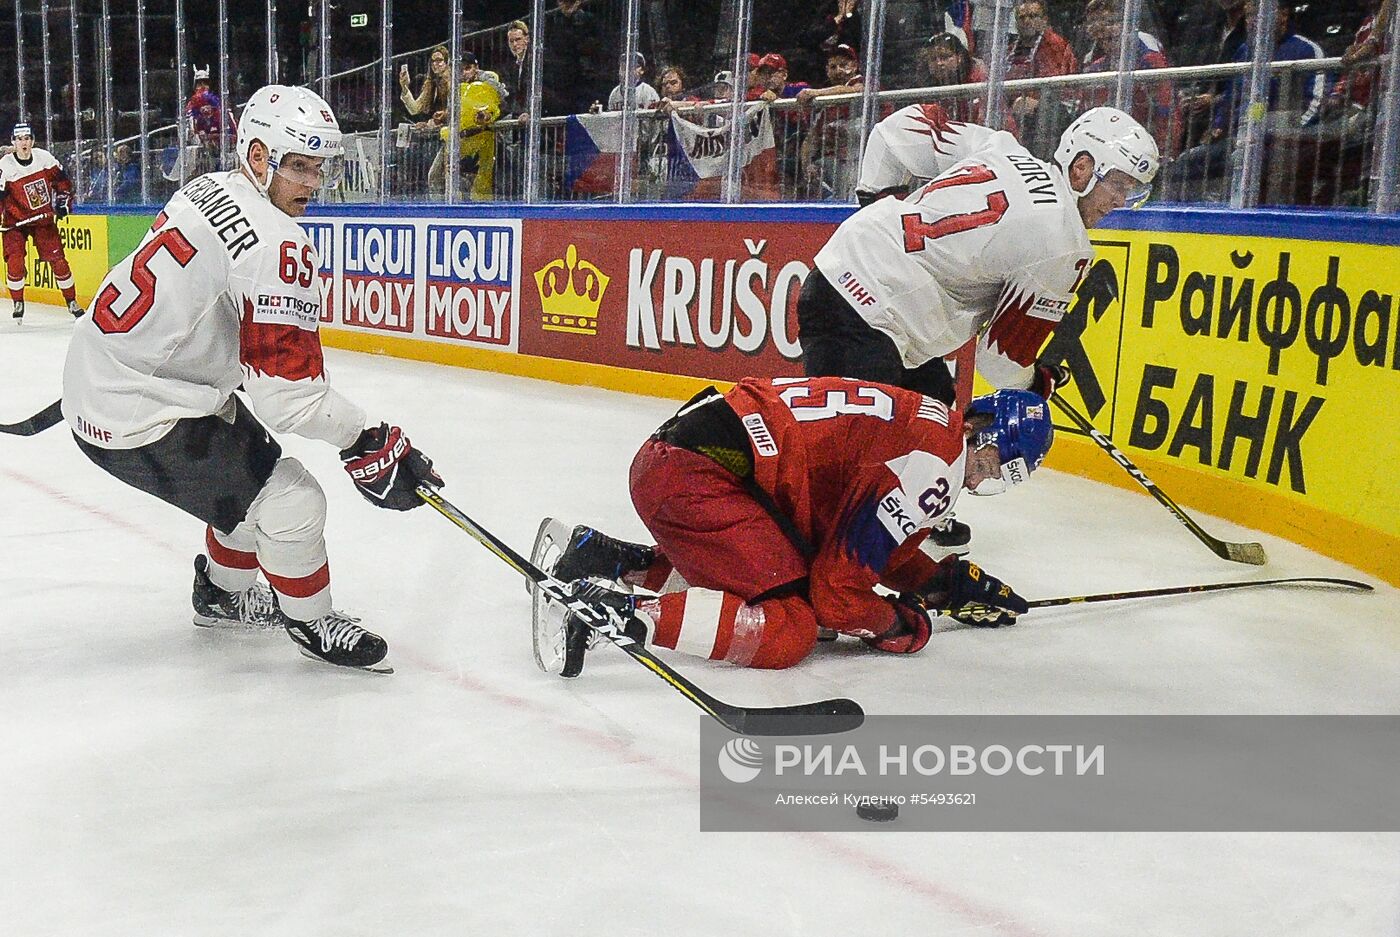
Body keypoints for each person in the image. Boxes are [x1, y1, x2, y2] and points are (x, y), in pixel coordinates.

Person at [60, 86, 444, 672]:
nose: (313, 183)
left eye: (319, 167)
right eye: (298, 166)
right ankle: (310, 619)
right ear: (259, 156)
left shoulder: (206, 187)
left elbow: (196, 310)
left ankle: (220, 594)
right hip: (140, 408)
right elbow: (289, 398)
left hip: (107, 371)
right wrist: (368, 436)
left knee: (250, 478)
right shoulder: (280, 243)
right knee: (291, 499)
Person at [534, 379, 1048, 675]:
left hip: (680, 460)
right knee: (792, 626)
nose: (992, 475)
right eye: (999, 459)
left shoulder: (932, 426)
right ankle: (613, 614)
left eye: (1008, 475)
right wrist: (901, 627)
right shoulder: (936, 465)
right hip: (698, 475)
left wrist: (938, 582)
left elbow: (862, 540)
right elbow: (835, 597)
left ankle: (606, 557)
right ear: (981, 428)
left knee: (769, 577)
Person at [820, 105, 1156, 546]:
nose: (1120, 201)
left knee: (938, 407)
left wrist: (875, 213)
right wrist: (1037, 384)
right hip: (868, 318)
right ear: (1082, 168)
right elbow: (1001, 361)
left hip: (846, 278)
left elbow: (891, 133)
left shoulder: (1000, 147)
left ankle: (927, 511)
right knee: (849, 463)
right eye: (1117, 185)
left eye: (1131, 191)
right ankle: (810, 586)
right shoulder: (1064, 245)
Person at [1, 123, 82, 321]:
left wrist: (63, 202)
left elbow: (62, 183)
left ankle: (71, 301)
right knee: (15, 263)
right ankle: (18, 301)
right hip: (15, 223)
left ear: (33, 141)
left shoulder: (44, 158)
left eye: (27, 139)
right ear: (13, 142)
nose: (24, 143)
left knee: (58, 261)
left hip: (42, 219)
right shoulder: (5, 166)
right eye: (19, 139)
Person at [1005, 0, 1079, 159]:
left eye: (1032, 16)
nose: (1026, 21)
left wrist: (1034, 101)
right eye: (1022, 17)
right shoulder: (1011, 50)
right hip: (1019, 110)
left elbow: (1057, 84)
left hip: (1053, 109)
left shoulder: (1055, 44)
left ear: (1045, 19)